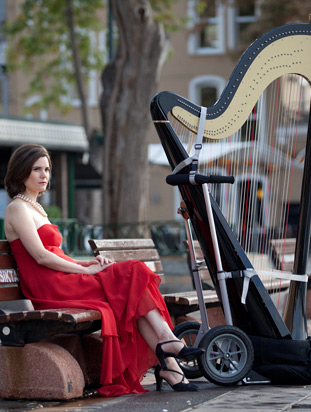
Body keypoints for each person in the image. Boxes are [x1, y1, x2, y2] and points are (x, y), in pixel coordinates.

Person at [3, 144, 203, 396]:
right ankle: (168, 345)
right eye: (36, 169)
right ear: (21, 172)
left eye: (47, 169)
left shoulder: (36, 208)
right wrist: (85, 273)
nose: (44, 175)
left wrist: (87, 264)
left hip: (61, 278)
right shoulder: (17, 208)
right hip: (50, 287)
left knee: (134, 286)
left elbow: (56, 254)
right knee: (134, 274)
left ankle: (169, 360)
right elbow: (41, 257)